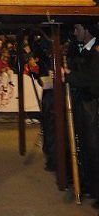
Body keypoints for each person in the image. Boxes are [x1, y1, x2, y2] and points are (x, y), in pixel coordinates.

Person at [62, 22, 99, 206]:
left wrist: (70, 76)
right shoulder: (81, 50)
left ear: (87, 29)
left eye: (77, 28)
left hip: (93, 106)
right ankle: (89, 184)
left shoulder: (96, 52)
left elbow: (93, 80)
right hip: (83, 106)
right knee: (84, 147)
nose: (75, 32)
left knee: (94, 147)